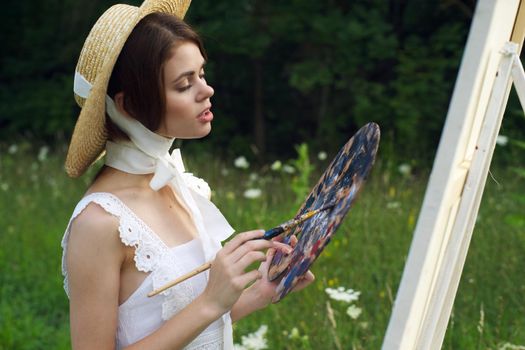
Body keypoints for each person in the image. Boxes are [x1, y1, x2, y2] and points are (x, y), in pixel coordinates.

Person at [60, 0, 314, 349]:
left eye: (202, 74)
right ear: (129, 105)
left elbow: (189, 326)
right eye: (184, 84)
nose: (206, 91)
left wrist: (259, 292)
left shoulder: (184, 188)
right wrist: (211, 301)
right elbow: (202, 309)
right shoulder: (100, 222)